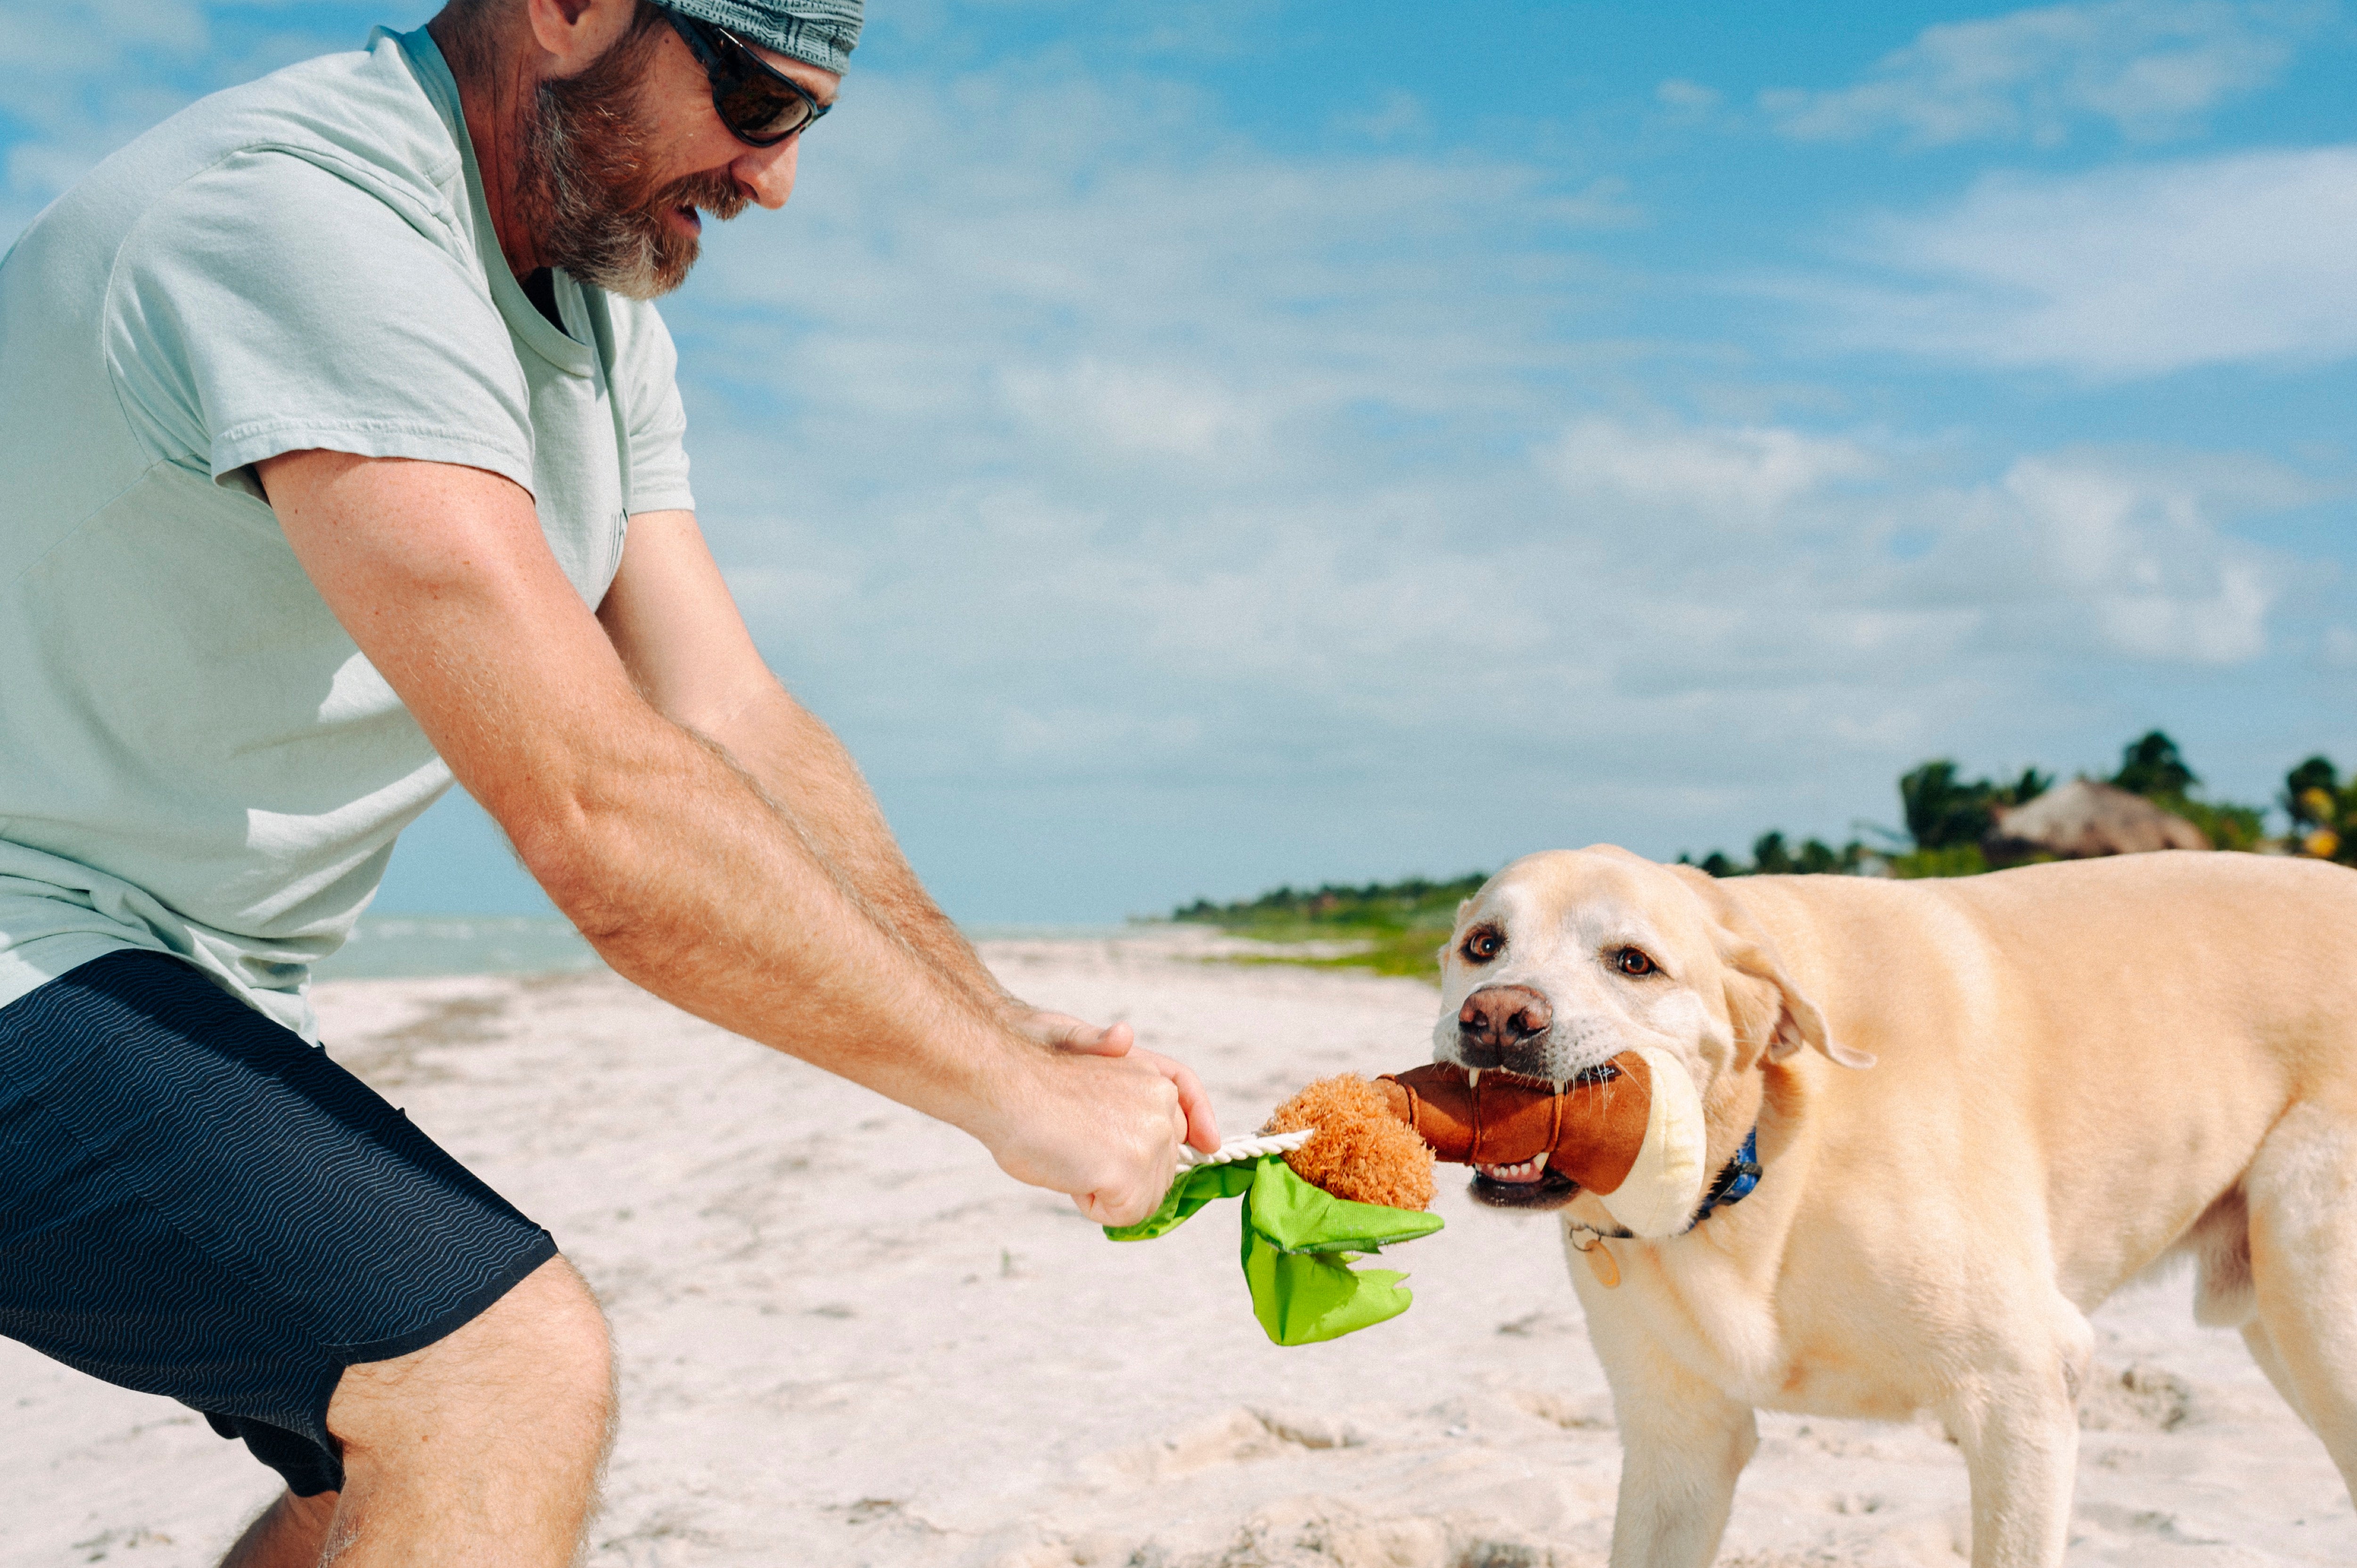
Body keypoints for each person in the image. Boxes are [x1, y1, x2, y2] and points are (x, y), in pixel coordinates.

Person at [0, 0, 1220, 1560]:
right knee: (491, 1377)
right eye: (758, 104)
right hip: (33, 939)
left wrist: (979, 1008)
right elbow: (596, 810)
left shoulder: (598, 310)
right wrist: (1017, 1110)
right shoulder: (304, 223)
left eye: (809, 126)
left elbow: (727, 716)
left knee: (372, 1469)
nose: (774, 183)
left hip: (162, 973)